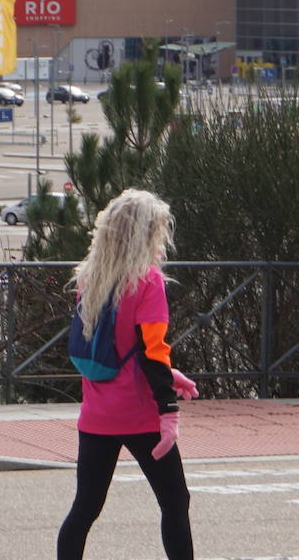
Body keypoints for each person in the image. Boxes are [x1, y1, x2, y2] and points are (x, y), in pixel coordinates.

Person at [56, 189, 200, 560]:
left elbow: (113, 346)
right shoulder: (147, 281)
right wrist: (168, 412)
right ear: (146, 233)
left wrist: (171, 373)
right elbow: (152, 350)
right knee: (175, 502)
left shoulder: (91, 278)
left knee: (85, 509)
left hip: (96, 414)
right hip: (140, 415)